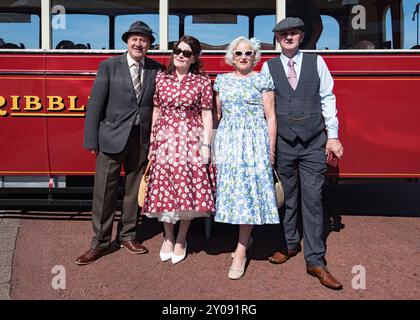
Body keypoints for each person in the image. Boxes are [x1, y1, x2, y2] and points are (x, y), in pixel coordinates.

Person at [261, 17, 344, 290]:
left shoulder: (316, 61)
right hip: (283, 142)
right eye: (283, 33)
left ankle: (315, 260)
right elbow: (263, 108)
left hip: (312, 142)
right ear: (277, 38)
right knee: (288, 199)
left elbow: (327, 98)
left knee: (313, 199)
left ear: (301, 36)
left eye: (293, 32)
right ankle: (289, 244)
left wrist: (332, 136)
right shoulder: (268, 66)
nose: (288, 37)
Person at [76, 21, 162, 265]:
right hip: (111, 138)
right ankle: (100, 243)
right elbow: (95, 105)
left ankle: (127, 236)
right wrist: (91, 139)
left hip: (141, 139)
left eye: (144, 40)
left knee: (134, 192)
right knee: (104, 192)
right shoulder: (109, 66)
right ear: (127, 41)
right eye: (135, 39)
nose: (139, 43)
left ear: (149, 44)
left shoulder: (157, 69)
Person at [142, 35, 215, 265]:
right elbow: (156, 110)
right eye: (177, 51)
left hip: (191, 138)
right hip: (165, 139)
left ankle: (182, 238)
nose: (180, 56)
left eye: (186, 53)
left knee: (187, 187)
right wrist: (153, 140)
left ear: (194, 58)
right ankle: (168, 236)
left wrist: (206, 145)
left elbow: (206, 114)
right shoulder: (161, 79)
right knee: (165, 186)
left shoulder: (202, 82)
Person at [213, 36, 280, 280]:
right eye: (239, 53)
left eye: (248, 53)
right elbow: (218, 116)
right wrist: (213, 148)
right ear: (231, 56)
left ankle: (241, 250)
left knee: (248, 195)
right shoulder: (221, 81)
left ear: (255, 56)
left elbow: (270, 117)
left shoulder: (262, 79)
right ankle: (246, 239)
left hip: (253, 142)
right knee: (234, 194)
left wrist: (270, 151)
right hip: (229, 142)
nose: (243, 57)